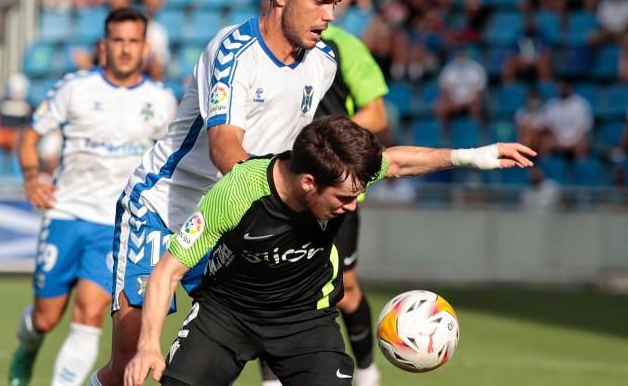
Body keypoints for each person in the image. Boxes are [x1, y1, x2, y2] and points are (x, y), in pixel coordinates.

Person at [91, 0, 348, 386]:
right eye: (321, 1)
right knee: (130, 363)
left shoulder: (323, 62)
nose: (330, 16)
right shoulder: (233, 52)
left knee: (267, 325)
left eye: (335, 4)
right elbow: (225, 150)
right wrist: (279, 203)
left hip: (231, 217)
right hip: (164, 208)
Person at [124, 115, 536, 386]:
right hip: (226, 313)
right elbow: (167, 271)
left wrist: (475, 156)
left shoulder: (344, 172)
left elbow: (395, 163)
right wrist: (147, 345)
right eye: (343, 198)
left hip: (305, 319)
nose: (352, 207)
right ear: (308, 183)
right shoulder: (237, 194)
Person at [7, 7, 177, 386]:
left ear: (145, 47)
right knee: (45, 317)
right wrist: (33, 178)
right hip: (66, 213)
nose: (126, 49)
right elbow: (30, 137)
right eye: (118, 40)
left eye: (133, 41)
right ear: (104, 45)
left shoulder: (162, 101)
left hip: (116, 225)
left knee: (89, 314)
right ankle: (28, 346)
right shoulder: (75, 89)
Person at [259, 24, 388, 386]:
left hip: (333, 192)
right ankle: (272, 380)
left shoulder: (343, 46)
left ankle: (366, 371)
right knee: (270, 285)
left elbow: (377, 114)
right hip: (282, 188)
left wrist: (326, 145)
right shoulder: (262, 48)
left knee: (343, 290)